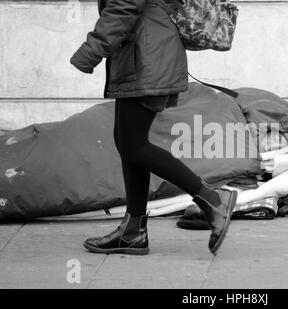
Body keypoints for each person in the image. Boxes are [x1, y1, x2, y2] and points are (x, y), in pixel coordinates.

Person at [70, 0, 237, 255]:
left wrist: (91, 50)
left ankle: (213, 200)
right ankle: (133, 230)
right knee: (128, 142)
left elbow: (123, 7)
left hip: (147, 55)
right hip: (146, 52)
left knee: (133, 145)